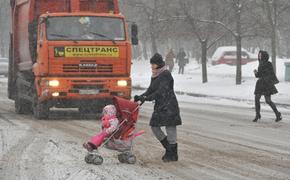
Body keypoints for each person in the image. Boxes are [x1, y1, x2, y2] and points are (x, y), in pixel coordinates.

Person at [134, 53, 182, 162]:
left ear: (158, 64)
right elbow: (151, 90)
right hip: (160, 105)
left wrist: (147, 98)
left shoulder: (165, 74)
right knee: (154, 126)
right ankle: (170, 150)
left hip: (169, 105)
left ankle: (173, 154)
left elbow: (161, 92)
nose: (151, 67)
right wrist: (141, 96)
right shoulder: (155, 75)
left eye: (153, 64)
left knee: (170, 128)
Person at [252, 50, 282, 122]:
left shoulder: (268, 64)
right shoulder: (260, 63)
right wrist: (256, 72)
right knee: (257, 99)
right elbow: (258, 75)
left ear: (264, 56)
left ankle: (277, 114)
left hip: (266, 84)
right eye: (259, 55)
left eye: (260, 55)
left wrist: (266, 79)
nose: (259, 56)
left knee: (268, 101)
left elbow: (271, 74)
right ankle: (257, 115)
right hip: (260, 84)